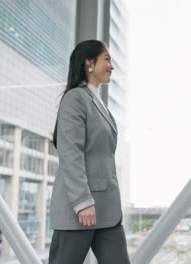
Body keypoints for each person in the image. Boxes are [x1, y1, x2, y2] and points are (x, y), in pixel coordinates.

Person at [49, 40, 130, 264]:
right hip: (80, 209)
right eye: (107, 58)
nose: (112, 66)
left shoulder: (98, 102)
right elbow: (70, 153)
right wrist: (83, 202)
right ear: (89, 62)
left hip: (107, 209)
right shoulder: (76, 98)